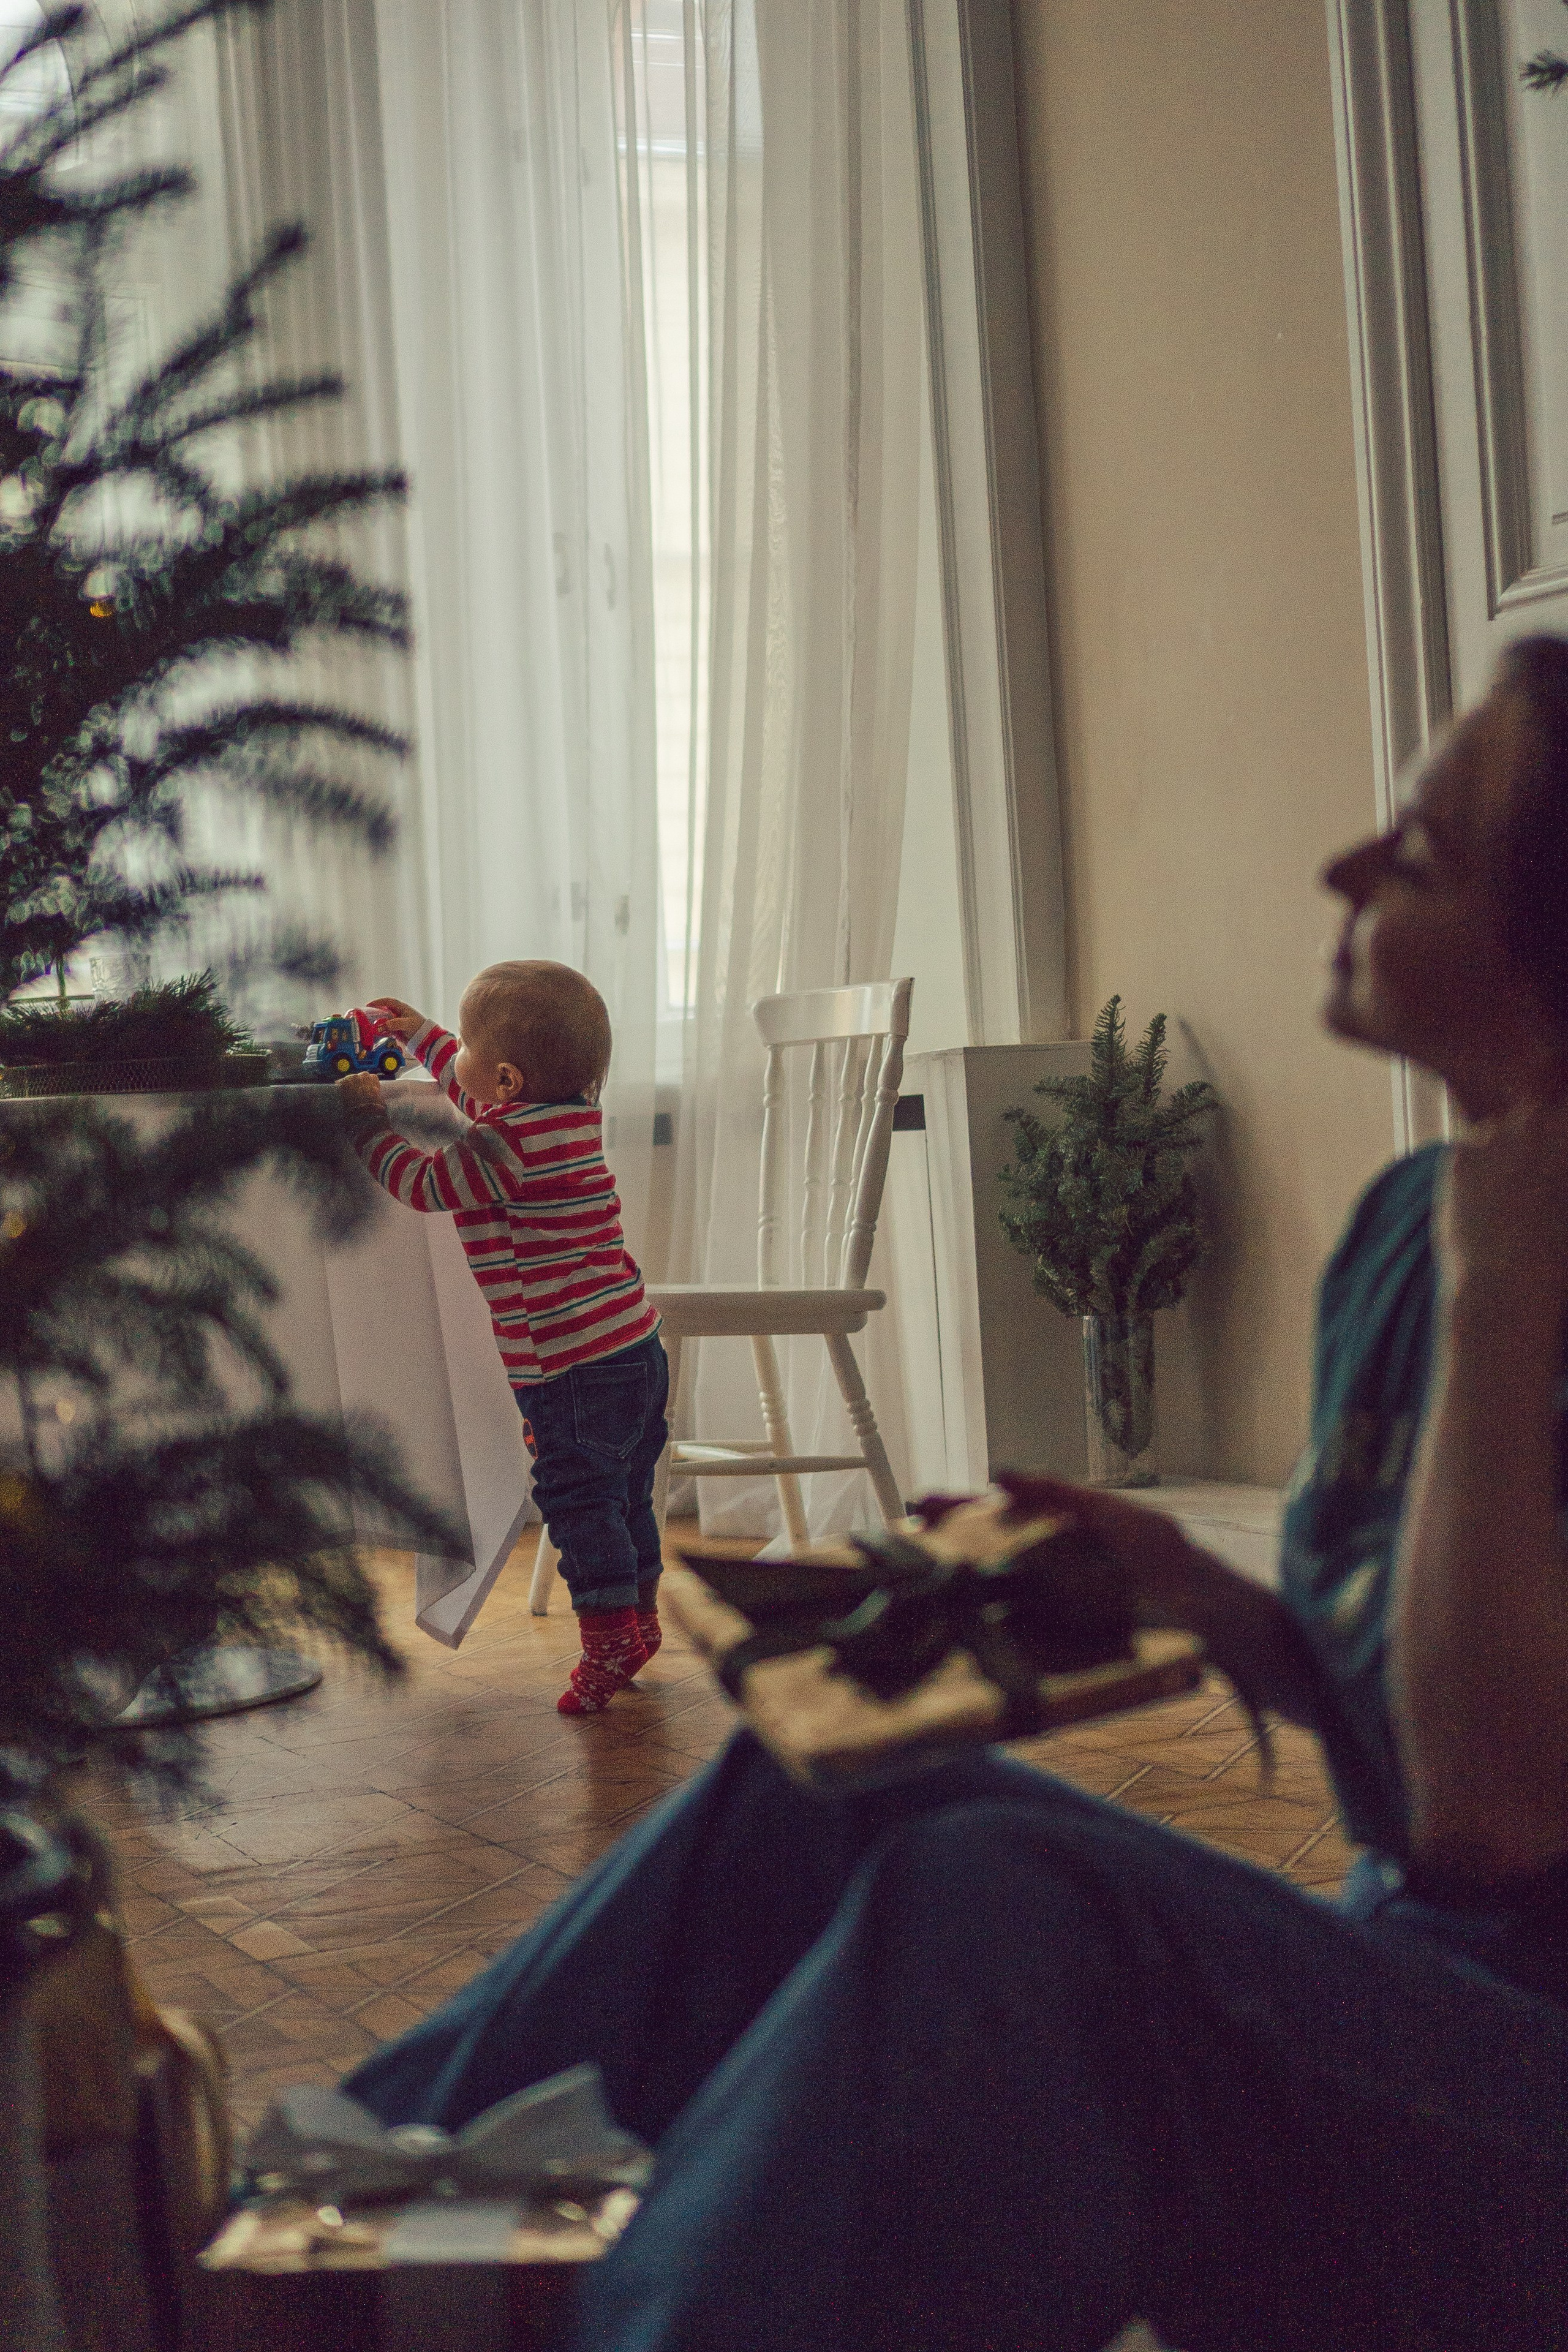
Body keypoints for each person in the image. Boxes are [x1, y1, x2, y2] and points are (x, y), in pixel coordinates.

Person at [344, 645, 1568, 2350]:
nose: (1346, 870)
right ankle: (322, 2248)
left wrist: (1516, 1292)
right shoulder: (1409, 1228)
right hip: (1405, 1986)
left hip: (1526, 2130)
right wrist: (1201, 1597)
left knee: (1006, 1903)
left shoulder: (1502, 1265)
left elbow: (1494, 1819)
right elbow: (1416, 1730)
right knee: (832, 1788)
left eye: (1423, 853)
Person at [338, 962, 668, 1714]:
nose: (461, 1067)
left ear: (509, 1081)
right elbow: (475, 1090)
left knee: (578, 1500)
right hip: (634, 1345)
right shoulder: (564, 1117)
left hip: (571, 1364)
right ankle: (638, 1617)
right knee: (629, 1495)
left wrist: (366, 1126)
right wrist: (425, 1037)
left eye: (471, 1051)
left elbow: (424, 1186)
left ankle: (609, 1633)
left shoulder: (502, 1148)